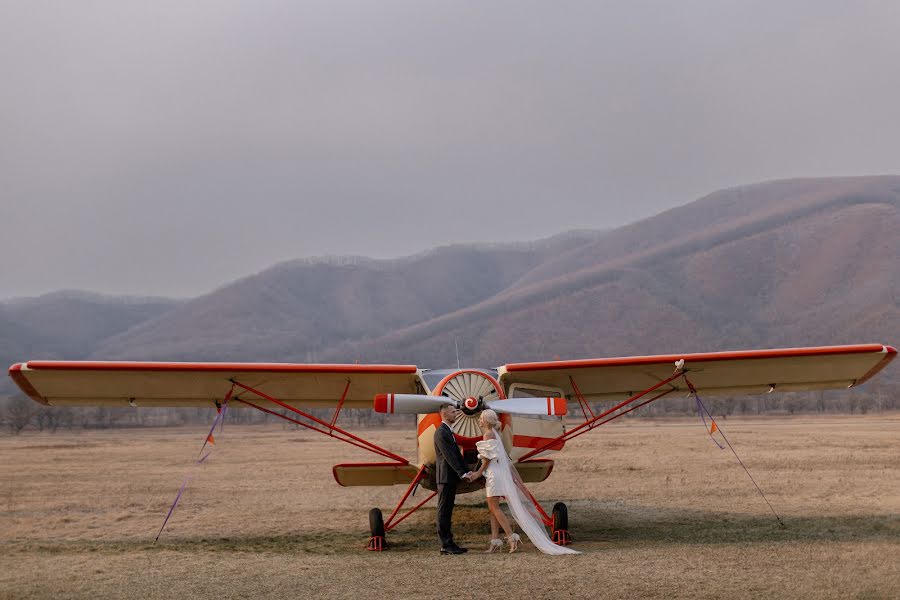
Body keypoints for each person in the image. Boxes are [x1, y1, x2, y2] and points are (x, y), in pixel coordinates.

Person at [470, 409, 580, 555]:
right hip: (496, 473)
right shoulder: (495, 434)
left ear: (485, 420)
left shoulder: (488, 434)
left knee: (494, 508)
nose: (479, 420)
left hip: (493, 474)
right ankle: (495, 542)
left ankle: (511, 537)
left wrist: (477, 473)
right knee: (493, 510)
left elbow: (487, 458)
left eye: (481, 418)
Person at [433, 403, 476, 555]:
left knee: (448, 510)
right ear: (445, 414)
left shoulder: (448, 432)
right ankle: (445, 545)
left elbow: (457, 455)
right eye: (453, 412)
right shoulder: (441, 433)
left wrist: (467, 471)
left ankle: (449, 543)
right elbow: (449, 456)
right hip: (445, 477)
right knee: (443, 511)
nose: (456, 414)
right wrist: (462, 473)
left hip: (450, 478)